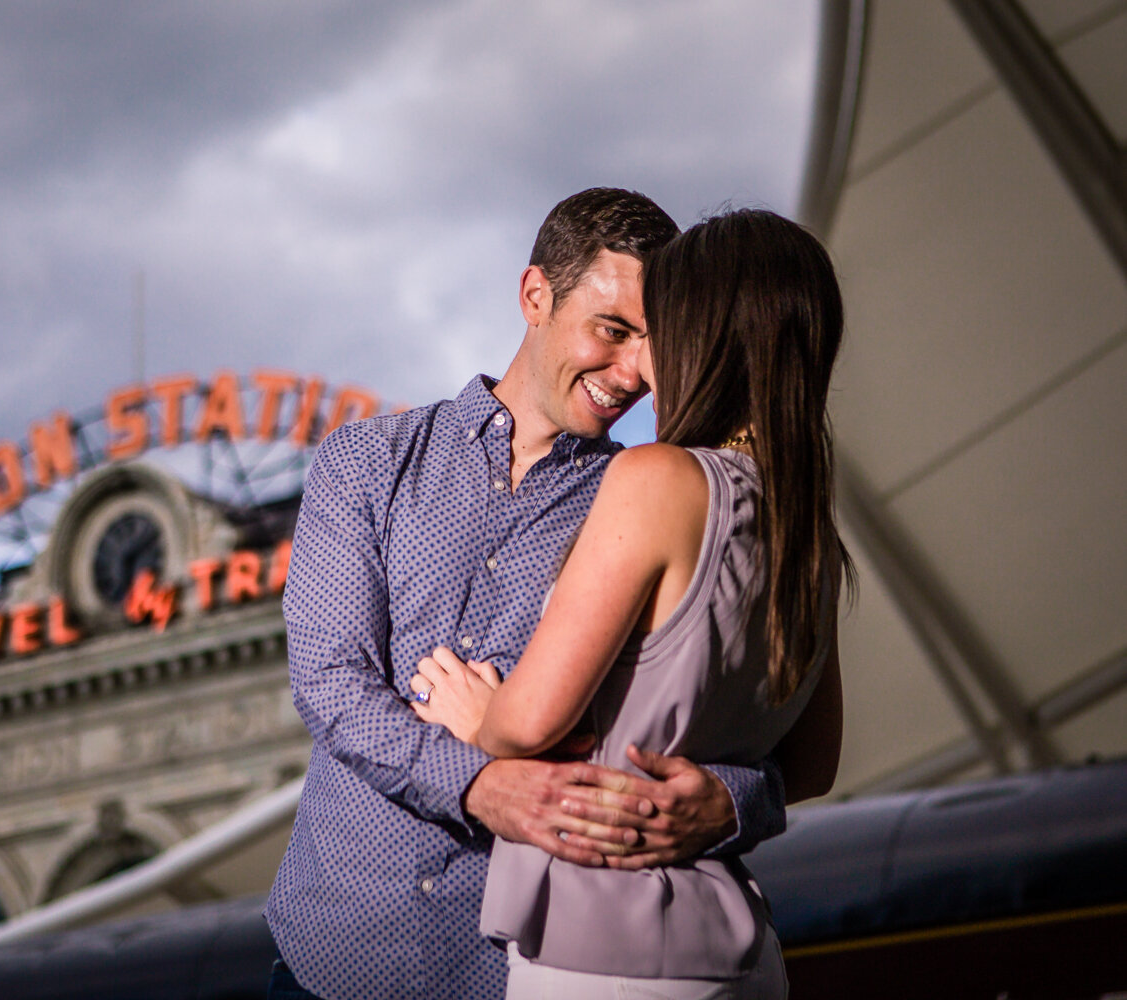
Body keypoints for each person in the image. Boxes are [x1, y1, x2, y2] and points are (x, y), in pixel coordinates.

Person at [265, 190, 818, 1000]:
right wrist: (484, 786)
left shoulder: (649, 501)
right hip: (335, 957)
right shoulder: (367, 461)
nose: (632, 373)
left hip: (526, 967)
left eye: (652, 342)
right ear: (535, 297)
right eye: (613, 330)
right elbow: (330, 681)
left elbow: (735, 732)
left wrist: (734, 804)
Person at [411, 208, 850, 998]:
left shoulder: (656, 479)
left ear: (702, 333)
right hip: (741, 954)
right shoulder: (806, 522)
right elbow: (812, 764)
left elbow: (530, 722)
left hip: (606, 947)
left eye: (658, 328)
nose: (643, 363)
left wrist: (475, 712)